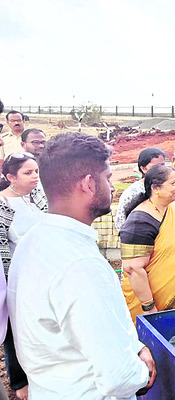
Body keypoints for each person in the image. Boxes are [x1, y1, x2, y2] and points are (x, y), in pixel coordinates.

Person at [7, 132, 156, 399]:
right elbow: (119, 377)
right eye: (107, 178)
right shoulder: (80, 264)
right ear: (88, 184)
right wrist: (143, 372)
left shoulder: (32, 240)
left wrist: (134, 346)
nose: (111, 187)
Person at [119, 165, 175, 323]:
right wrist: (149, 307)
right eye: (173, 183)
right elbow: (133, 269)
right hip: (151, 306)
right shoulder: (139, 221)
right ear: (155, 188)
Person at [0, 153, 47, 400]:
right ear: (10, 178)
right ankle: (20, 382)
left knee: (40, 325)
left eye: (36, 171)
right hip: (15, 281)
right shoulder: (2, 205)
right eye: (28, 173)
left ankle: (42, 372)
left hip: (44, 275)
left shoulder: (38, 197)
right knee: (14, 331)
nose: (35, 177)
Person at [114, 147, 166, 231]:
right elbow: (121, 222)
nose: (161, 170)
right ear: (143, 169)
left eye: (163, 165)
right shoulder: (133, 192)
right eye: (155, 167)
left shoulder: (169, 188)